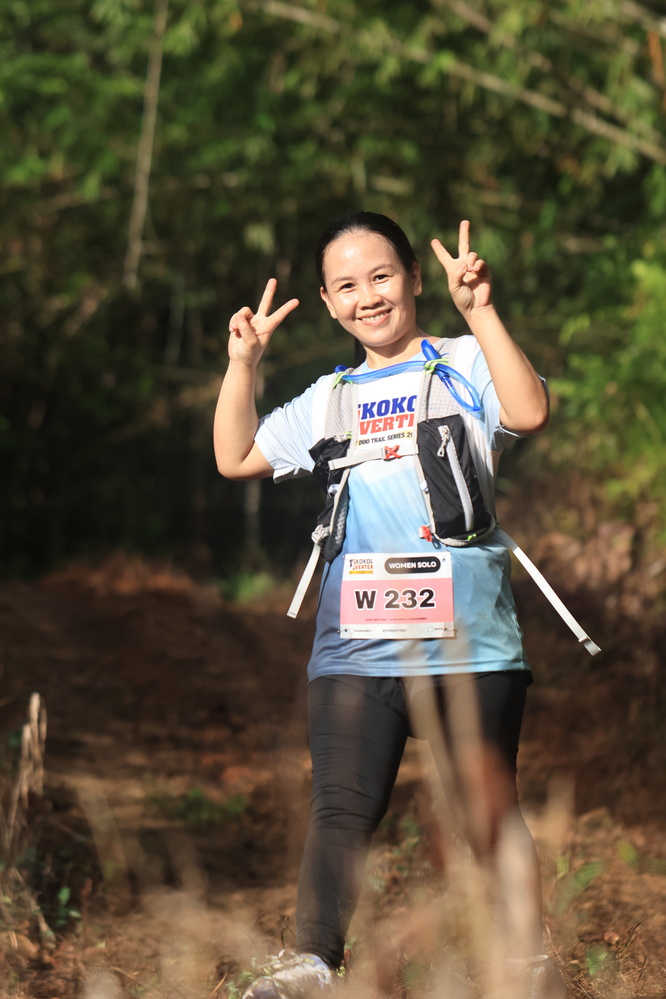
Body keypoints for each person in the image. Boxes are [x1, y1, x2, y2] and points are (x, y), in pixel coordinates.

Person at [214, 213, 563, 999]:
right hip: (355, 645)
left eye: (380, 276)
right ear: (328, 303)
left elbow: (530, 411)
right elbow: (234, 455)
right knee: (340, 807)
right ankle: (313, 960)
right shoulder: (330, 397)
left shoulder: (465, 360)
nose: (367, 296)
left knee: (485, 809)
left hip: (469, 641)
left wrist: (480, 311)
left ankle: (523, 963)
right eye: (346, 285)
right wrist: (243, 365)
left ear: (412, 278)